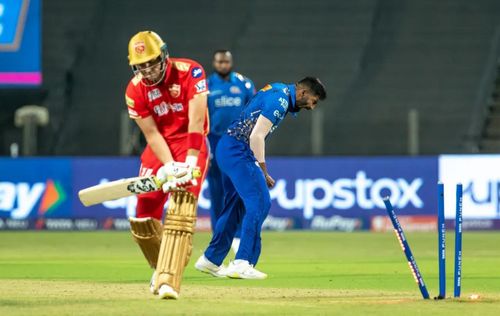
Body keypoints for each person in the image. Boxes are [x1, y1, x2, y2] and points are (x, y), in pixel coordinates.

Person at [195, 77, 327, 279]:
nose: (312, 107)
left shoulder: (279, 89)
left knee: (234, 207)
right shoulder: (280, 101)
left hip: (226, 147)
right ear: (303, 93)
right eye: (313, 101)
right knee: (260, 202)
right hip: (238, 151)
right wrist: (263, 171)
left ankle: (210, 260)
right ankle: (242, 262)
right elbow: (256, 136)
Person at [124, 30, 209, 299]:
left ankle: (168, 281)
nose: (148, 70)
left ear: (164, 55)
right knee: (142, 218)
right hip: (160, 148)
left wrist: (189, 164)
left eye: (153, 62)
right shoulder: (134, 90)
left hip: (190, 143)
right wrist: (170, 165)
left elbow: (196, 123)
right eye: (142, 65)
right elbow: (151, 134)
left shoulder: (190, 72)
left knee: (180, 212)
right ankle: (163, 264)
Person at [206, 50, 255, 253]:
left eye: (226, 61)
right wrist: (205, 147)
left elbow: (253, 113)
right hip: (214, 142)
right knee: (217, 192)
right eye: (220, 61)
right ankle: (218, 236)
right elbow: (200, 117)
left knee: (237, 190)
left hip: (237, 142)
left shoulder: (244, 84)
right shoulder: (207, 85)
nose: (223, 64)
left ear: (231, 62)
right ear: (214, 63)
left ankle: (236, 236)